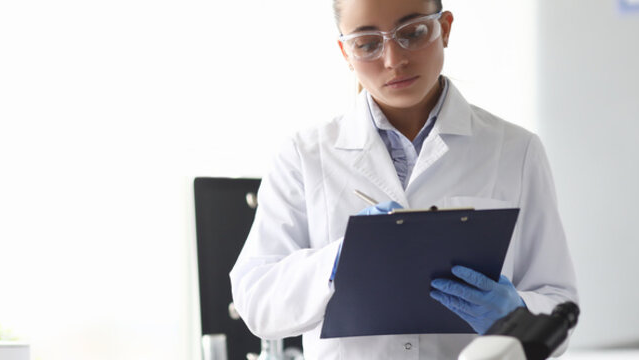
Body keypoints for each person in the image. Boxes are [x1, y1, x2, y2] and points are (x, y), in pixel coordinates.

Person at [229, 0, 578, 358]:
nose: (394, 59)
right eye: (367, 44)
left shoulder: (515, 151)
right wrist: (338, 259)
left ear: (445, 28)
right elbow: (256, 300)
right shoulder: (303, 155)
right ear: (345, 52)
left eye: (412, 33)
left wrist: (517, 313)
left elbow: (559, 302)